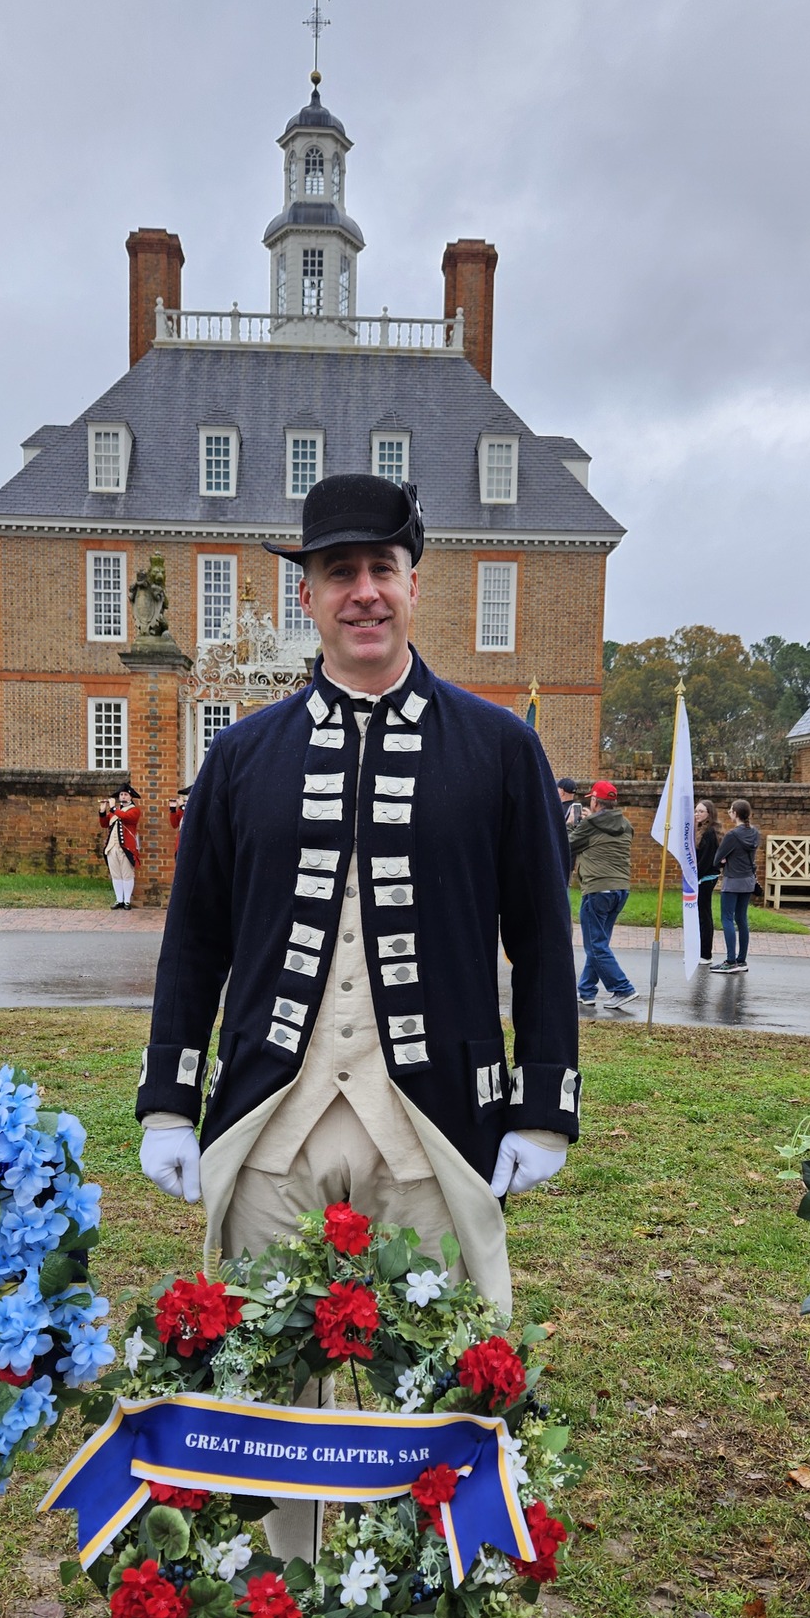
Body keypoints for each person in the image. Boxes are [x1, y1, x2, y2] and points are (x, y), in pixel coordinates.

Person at [134, 474, 580, 1556]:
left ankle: (421, 1609)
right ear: (310, 595)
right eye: (341, 572)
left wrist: (543, 1109)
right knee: (266, 1385)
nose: (364, 591)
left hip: (431, 1121)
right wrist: (166, 1101)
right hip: (273, 1118)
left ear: (415, 584)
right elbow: (194, 939)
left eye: (383, 569)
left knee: (429, 1378)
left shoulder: (500, 746)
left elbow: (542, 936)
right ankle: (276, 1606)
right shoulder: (242, 755)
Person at [569, 779, 640, 1017]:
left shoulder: (590, 823)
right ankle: (587, 991)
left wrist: (571, 825)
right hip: (621, 889)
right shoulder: (626, 824)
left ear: (596, 801)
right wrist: (590, 821)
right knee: (599, 942)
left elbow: (567, 844)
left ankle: (622, 988)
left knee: (595, 944)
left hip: (598, 889)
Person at [715, 799, 759, 972]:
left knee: (727, 918)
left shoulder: (732, 835)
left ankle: (730, 961)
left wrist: (725, 860)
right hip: (748, 881)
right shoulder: (755, 833)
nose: (729, 813)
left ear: (735, 813)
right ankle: (741, 960)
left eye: (730, 810)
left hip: (732, 880)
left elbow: (717, 858)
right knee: (742, 919)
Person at [99, 784, 142, 909]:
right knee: (116, 874)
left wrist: (112, 808)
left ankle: (127, 900)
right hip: (112, 847)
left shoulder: (134, 810)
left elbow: (126, 818)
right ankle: (119, 900)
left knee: (127, 874)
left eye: (125, 794)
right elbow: (104, 824)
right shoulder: (116, 810)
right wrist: (102, 811)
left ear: (130, 797)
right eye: (121, 794)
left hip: (126, 847)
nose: (123, 796)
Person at [694, 799, 721, 969]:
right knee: (699, 915)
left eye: (701, 811)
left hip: (706, 878)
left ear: (709, 814)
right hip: (701, 877)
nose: (697, 814)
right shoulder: (700, 830)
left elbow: (706, 860)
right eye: (696, 811)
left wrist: (695, 875)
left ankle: (706, 954)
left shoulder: (710, 833)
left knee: (704, 915)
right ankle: (700, 952)